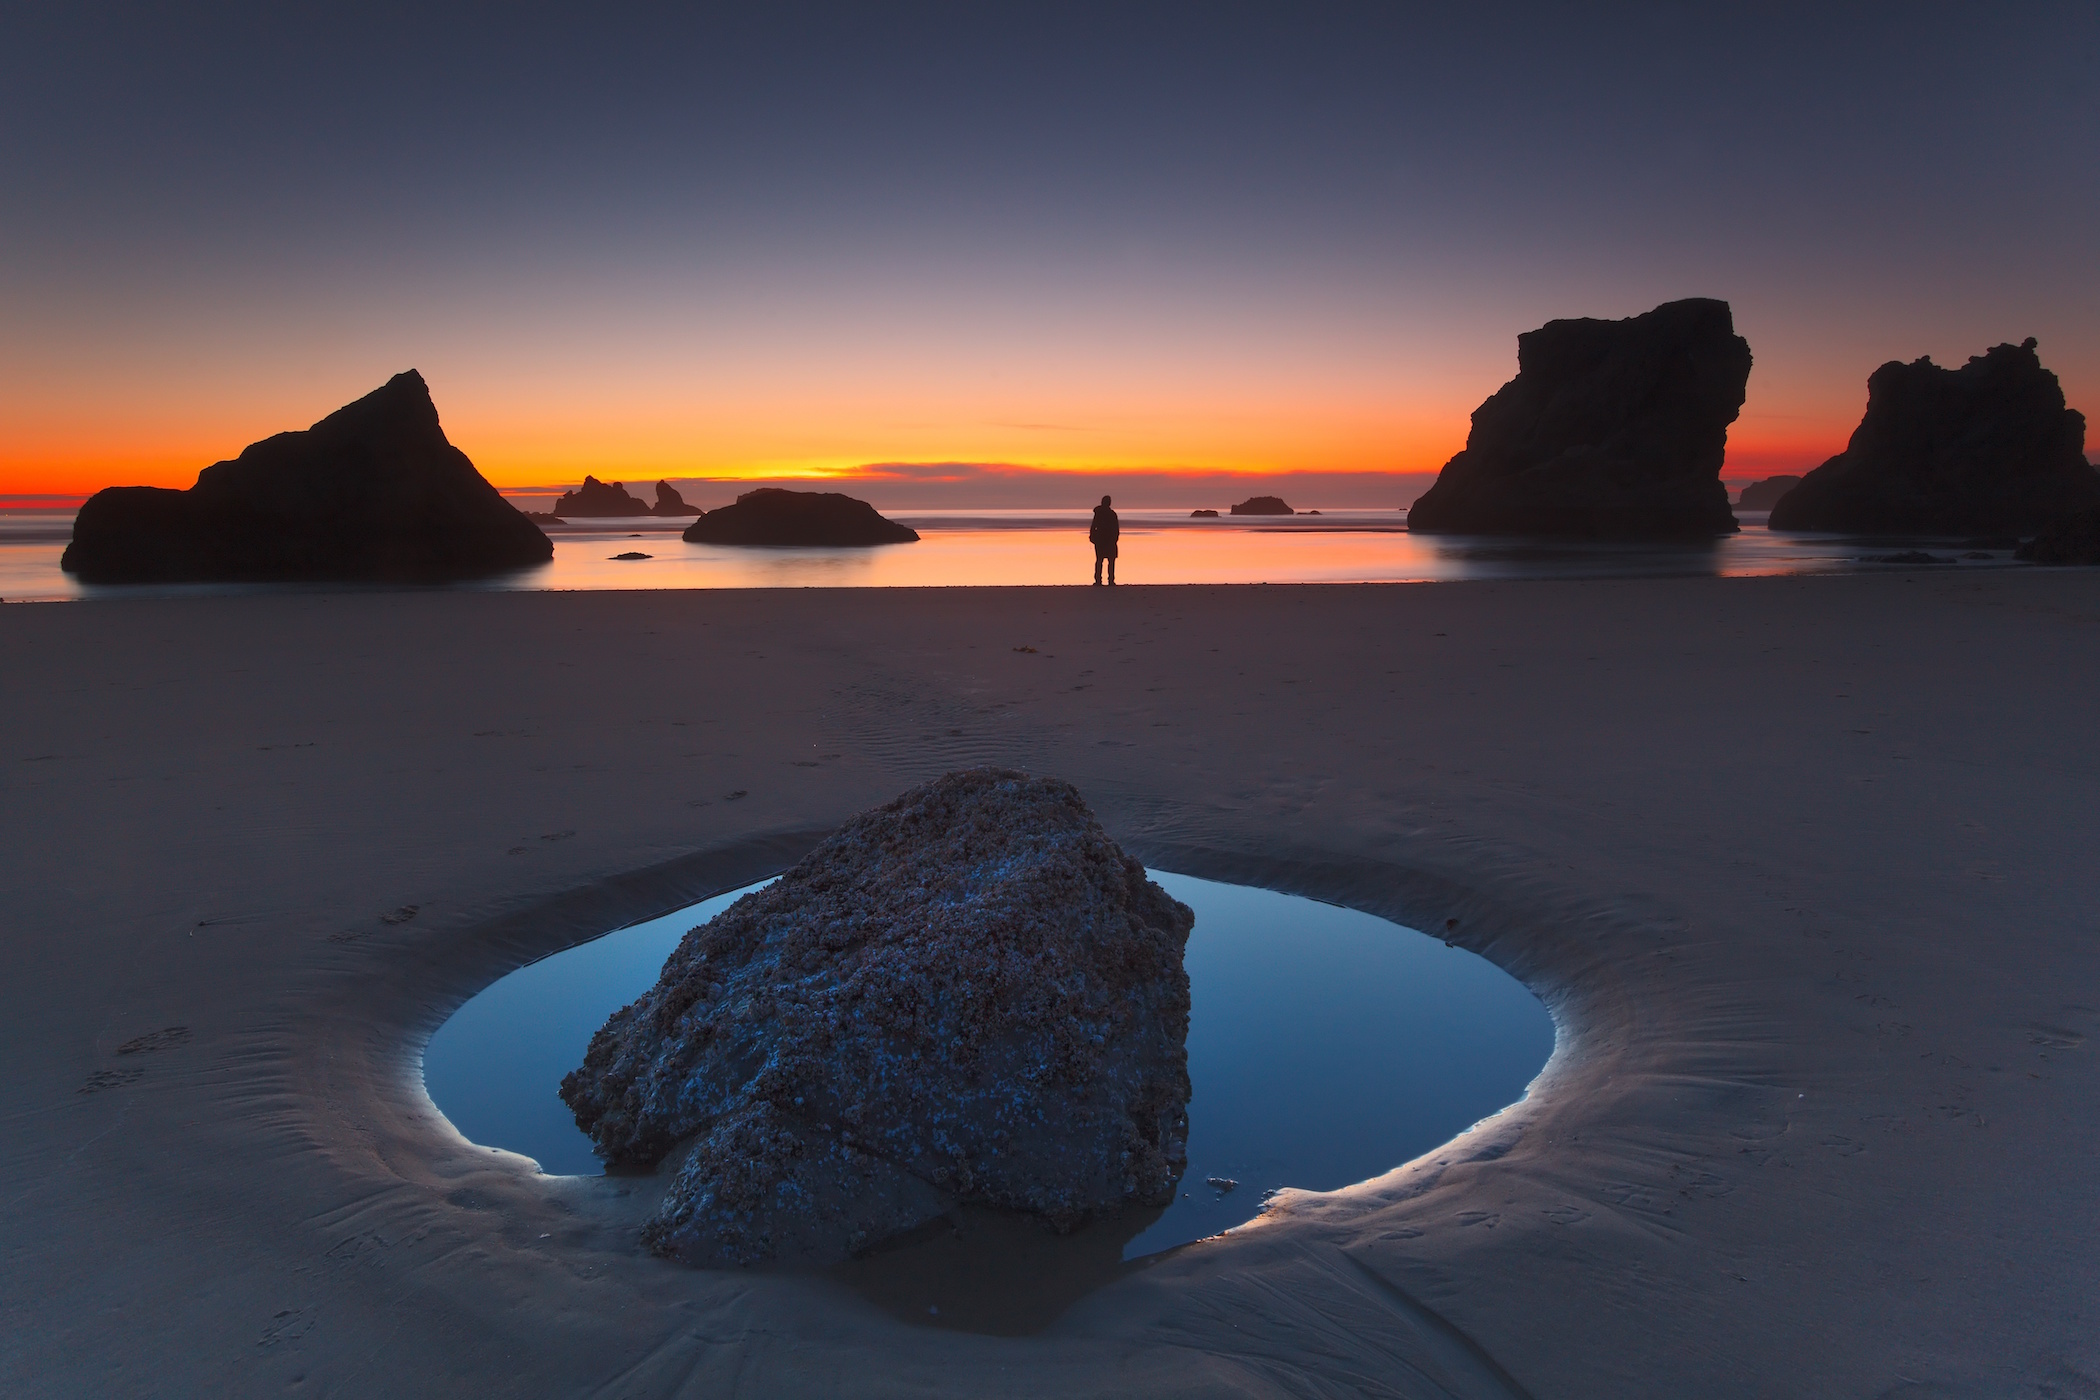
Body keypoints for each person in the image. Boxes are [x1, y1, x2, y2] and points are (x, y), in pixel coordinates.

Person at [1089, 494, 1120, 585]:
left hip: (1105, 539)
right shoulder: (1110, 514)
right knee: (1107, 560)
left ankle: (1101, 580)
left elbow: (1093, 526)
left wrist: (1092, 536)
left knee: (1102, 560)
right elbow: (1115, 528)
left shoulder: (1107, 514)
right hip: (1105, 540)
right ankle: (1108, 580)